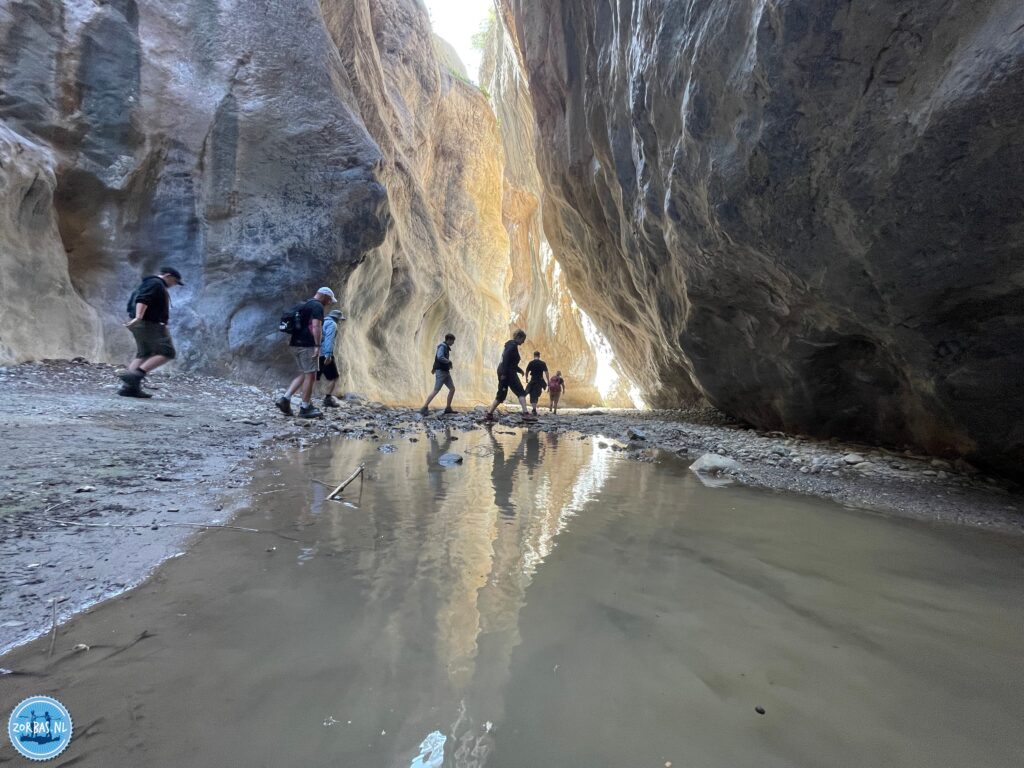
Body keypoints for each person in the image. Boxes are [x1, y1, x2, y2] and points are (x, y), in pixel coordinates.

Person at [118, 266, 184, 398]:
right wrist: (139, 317)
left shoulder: (149, 283)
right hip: (149, 323)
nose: (174, 284)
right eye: (175, 281)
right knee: (167, 352)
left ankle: (129, 388)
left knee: (144, 353)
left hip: (141, 323)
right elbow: (143, 299)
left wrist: (137, 319)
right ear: (168, 276)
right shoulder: (155, 283)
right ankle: (136, 375)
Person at [275, 287, 336, 418]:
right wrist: (318, 345)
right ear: (324, 296)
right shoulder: (317, 306)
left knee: (305, 373)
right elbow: (316, 326)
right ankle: (305, 407)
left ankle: (285, 399)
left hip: (295, 344)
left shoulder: (303, 304)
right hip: (307, 345)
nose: (330, 302)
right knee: (311, 376)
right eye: (330, 299)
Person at [484, 329, 535, 422]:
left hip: (506, 371)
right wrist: (504, 374)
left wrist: (519, 370)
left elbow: (510, 361)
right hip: (508, 372)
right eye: (523, 339)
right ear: (518, 337)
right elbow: (506, 360)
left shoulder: (510, 345)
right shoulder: (512, 346)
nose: (523, 342)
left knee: (501, 394)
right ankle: (525, 413)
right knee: (520, 392)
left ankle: (489, 414)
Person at [419, 333, 457, 416]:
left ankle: (448, 408)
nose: (453, 343)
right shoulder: (442, 346)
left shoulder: (445, 347)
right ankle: (424, 408)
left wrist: (434, 368)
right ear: (449, 340)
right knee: (436, 390)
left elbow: (436, 358)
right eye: (452, 341)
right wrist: (449, 361)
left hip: (445, 372)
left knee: (452, 389)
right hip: (441, 372)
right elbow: (439, 357)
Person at [319, 308, 346, 407]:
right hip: (324, 354)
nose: (340, 322)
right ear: (336, 318)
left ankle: (305, 401)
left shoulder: (321, 322)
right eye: (340, 320)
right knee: (334, 377)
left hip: (315, 352)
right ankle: (327, 399)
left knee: (312, 377)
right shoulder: (332, 324)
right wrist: (328, 354)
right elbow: (328, 339)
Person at [525, 351, 548, 415]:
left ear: (534, 355)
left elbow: (527, 371)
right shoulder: (542, 363)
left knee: (529, 393)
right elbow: (546, 372)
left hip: (532, 381)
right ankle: (534, 409)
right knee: (536, 394)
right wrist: (548, 381)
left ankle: (532, 408)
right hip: (539, 381)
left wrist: (526, 378)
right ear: (539, 355)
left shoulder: (531, 363)